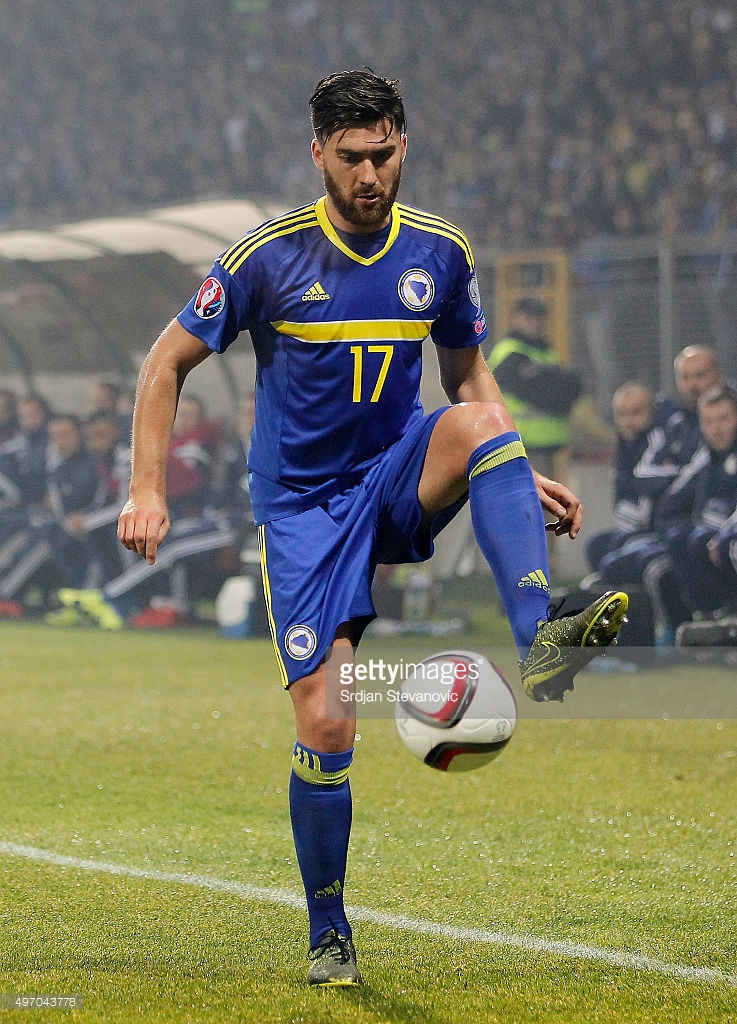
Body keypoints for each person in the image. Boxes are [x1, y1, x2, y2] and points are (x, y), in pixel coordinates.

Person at [116, 70, 628, 986]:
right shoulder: (265, 258)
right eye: (349, 157)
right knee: (330, 720)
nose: (367, 174)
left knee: (481, 426)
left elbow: (470, 382)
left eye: (382, 154)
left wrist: (505, 462)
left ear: (403, 146)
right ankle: (328, 930)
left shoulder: (440, 250)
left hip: (393, 477)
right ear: (317, 152)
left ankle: (541, 637)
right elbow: (165, 363)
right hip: (305, 511)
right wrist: (144, 488)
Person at [486, 297, 582, 478]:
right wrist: (559, 390)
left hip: (547, 446)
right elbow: (543, 392)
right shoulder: (508, 352)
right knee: (533, 502)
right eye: (528, 316)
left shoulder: (545, 352)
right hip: (521, 445)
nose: (534, 322)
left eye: (538, 317)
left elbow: (573, 386)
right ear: (515, 318)